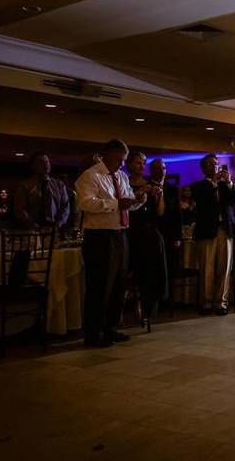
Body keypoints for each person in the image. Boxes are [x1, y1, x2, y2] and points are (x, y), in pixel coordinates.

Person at [75, 139, 146, 347]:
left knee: (118, 284)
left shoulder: (122, 176)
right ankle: (93, 333)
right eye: (118, 159)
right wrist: (115, 204)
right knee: (100, 286)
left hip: (120, 234)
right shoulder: (90, 176)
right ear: (106, 155)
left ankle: (111, 328)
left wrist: (138, 200)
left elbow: (127, 203)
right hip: (99, 237)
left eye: (123, 160)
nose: (121, 164)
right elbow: (86, 203)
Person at [190, 154, 235, 315]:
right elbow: (204, 204)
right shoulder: (198, 186)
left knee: (224, 268)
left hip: (225, 229)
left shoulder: (226, 186)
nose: (214, 167)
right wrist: (215, 185)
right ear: (203, 168)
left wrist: (229, 183)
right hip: (206, 230)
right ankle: (206, 302)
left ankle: (221, 303)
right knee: (207, 268)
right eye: (210, 164)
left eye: (216, 164)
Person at [125, 151, 168, 325]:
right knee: (128, 273)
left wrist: (159, 196)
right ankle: (122, 309)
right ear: (129, 165)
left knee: (150, 273)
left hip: (149, 233)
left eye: (143, 163)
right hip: (130, 232)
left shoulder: (152, 184)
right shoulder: (124, 183)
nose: (141, 166)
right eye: (137, 163)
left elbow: (160, 212)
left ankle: (146, 309)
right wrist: (140, 192)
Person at [13, 152, 70, 230]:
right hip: (31, 229)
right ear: (33, 166)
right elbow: (19, 209)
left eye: (47, 161)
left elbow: (65, 207)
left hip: (54, 228)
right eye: (41, 162)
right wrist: (31, 224)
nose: (45, 164)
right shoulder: (25, 185)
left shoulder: (59, 185)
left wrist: (58, 224)